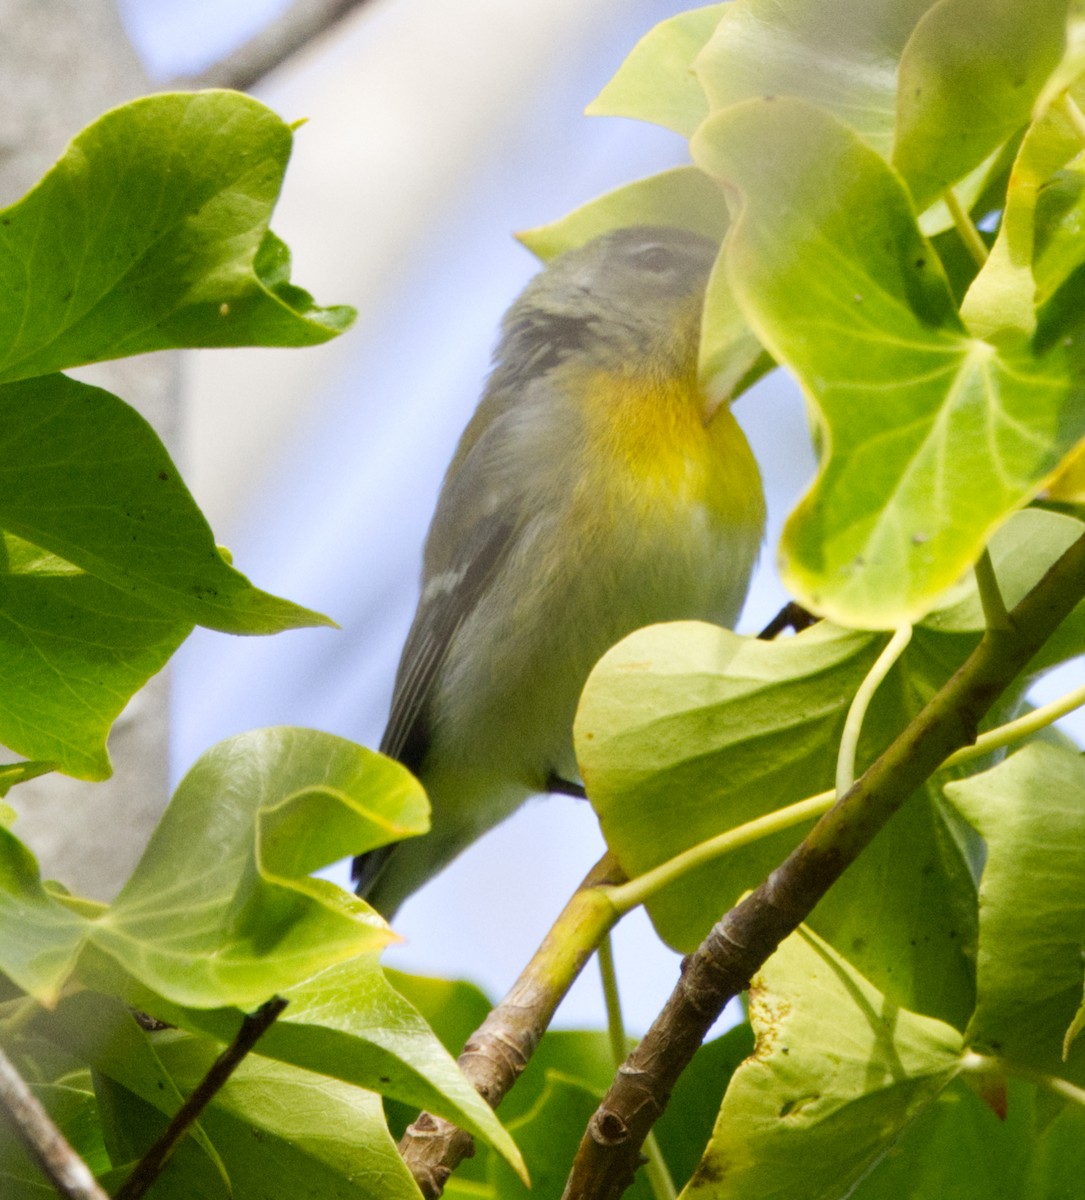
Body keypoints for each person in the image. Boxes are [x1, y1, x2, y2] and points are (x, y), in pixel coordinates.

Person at [354, 225, 765, 917]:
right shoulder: (542, 418)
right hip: (471, 742)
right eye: (660, 263)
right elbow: (442, 627)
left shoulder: (713, 422)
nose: (710, 283)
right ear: (583, 291)